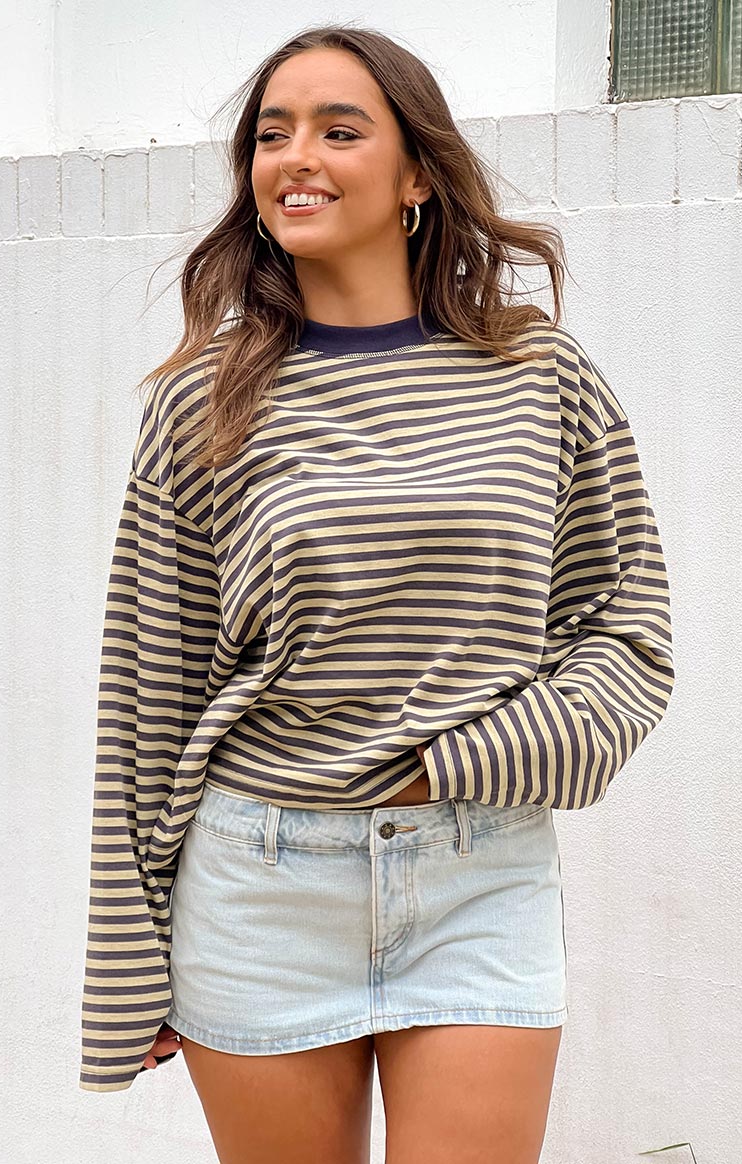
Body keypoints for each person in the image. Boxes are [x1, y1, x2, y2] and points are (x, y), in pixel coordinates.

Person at [79, 23, 675, 1164]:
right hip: (259, 883)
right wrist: (130, 963)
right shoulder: (202, 399)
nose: (294, 156)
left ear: (414, 175)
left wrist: (459, 763)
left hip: (479, 874)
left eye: (338, 130)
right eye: (271, 134)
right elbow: (147, 694)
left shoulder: (538, 373)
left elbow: (626, 630)